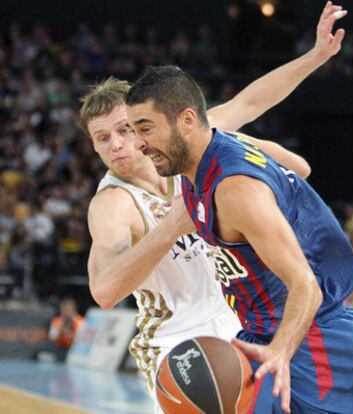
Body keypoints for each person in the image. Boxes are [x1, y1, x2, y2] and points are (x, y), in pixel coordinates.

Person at [124, 5, 353, 414]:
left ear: (186, 120)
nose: (137, 143)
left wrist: (281, 351)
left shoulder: (235, 190)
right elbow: (276, 132)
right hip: (262, 333)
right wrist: (316, 55)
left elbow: (305, 285)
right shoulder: (208, 146)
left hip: (313, 339)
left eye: (144, 128)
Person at [80, 39, 325, 408]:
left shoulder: (189, 149)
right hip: (176, 340)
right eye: (103, 138)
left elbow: (252, 102)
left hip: (239, 318)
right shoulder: (113, 204)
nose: (116, 145)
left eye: (124, 130)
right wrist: (173, 225)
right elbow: (103, 290)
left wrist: (317, 55)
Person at [43, 297, 84, 362]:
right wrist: (60, 330)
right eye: (64, 309)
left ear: (74, 309)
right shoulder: (57, 321)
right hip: (60, 348)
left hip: (74, 349)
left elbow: (81, 341)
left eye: (68, 309)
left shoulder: (80, 322)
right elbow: (52, 339)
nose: (66, 311)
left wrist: (68, 333)